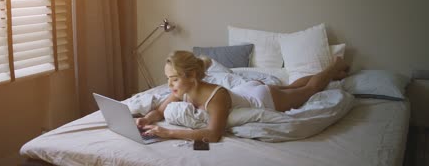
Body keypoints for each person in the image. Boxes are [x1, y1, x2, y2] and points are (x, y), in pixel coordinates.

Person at [136, 50, 349, 143]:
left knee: (308, 91)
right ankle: (331, 72)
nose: (169, 84)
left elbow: (212, 135)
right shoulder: (181, 90)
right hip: (245, 90)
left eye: (173, 78)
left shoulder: (215, 96)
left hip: (263, 98)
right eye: (167, 78)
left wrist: (168, 132)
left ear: (191, 75)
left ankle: (334, 67)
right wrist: (146, 120)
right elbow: (160, 111)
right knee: (292, 86)